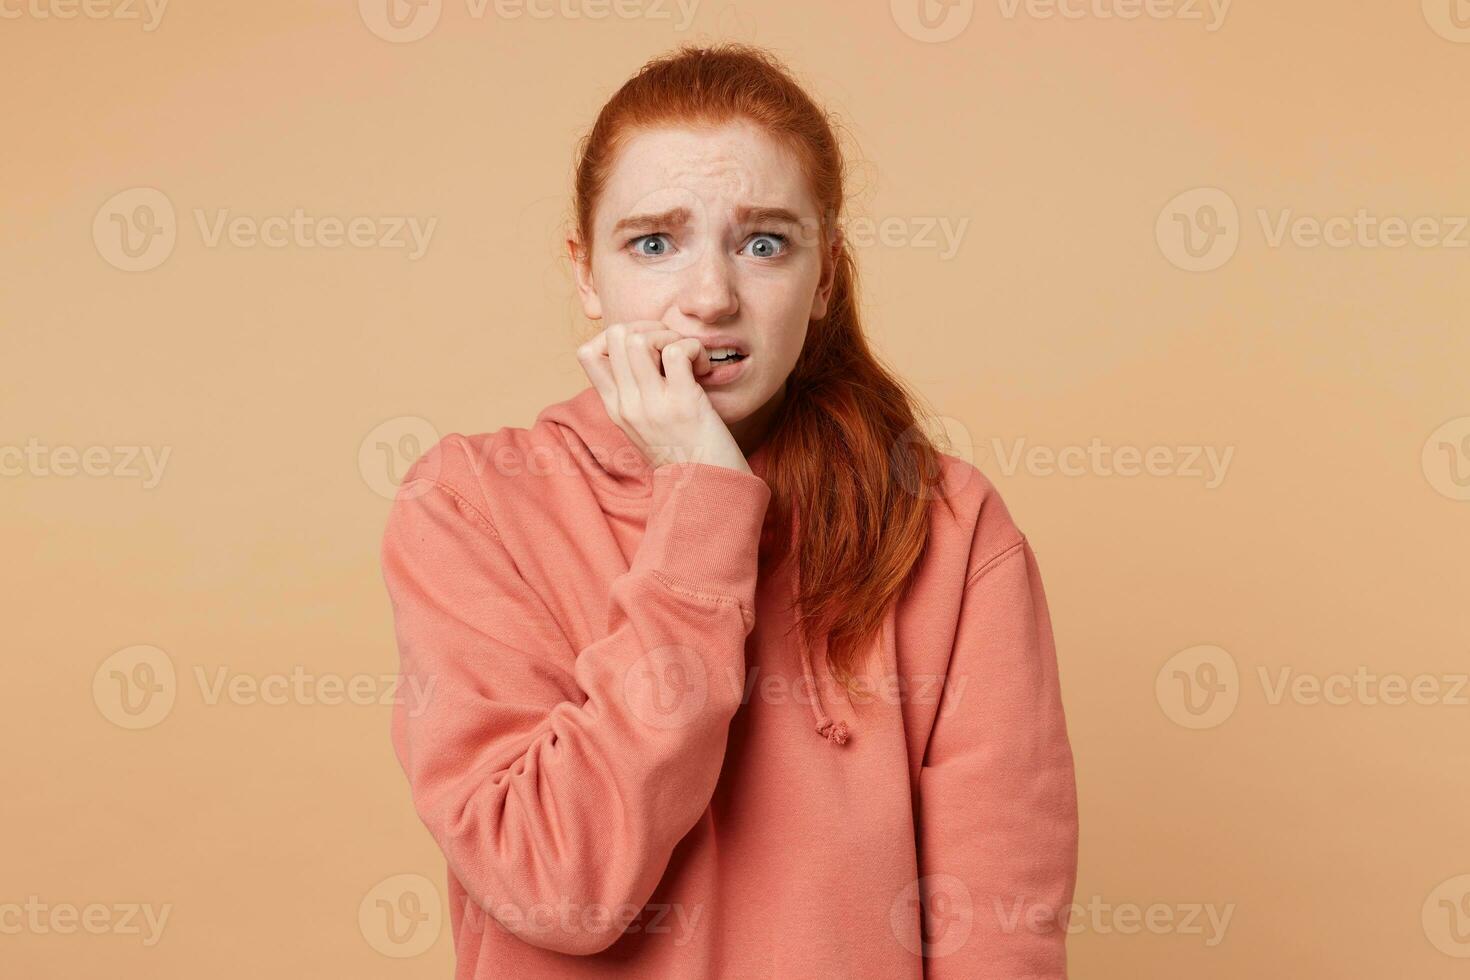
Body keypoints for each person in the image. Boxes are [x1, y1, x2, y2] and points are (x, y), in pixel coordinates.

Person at [380, 42, 1078, 979]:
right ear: (587, 273)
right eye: (655, 243)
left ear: (825, 276)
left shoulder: (947, 526)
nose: (710, 299)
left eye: (764, 243)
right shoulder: (472, 505)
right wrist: (702, 505)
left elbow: (998, 932)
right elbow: (555, 881)